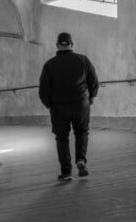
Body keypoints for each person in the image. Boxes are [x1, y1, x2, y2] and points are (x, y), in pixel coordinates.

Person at [38, 32, 99, 181]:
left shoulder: (49, 65)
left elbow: (43, 89)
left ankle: (66, 172)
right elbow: (94, 82)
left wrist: (49, 104)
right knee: (82, 132)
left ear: (57, 45)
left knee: (62, 138)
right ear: (72, 45)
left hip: (59, 108)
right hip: (81, 105)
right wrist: (90, 97)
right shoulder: (83, 60)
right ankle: (80, 160)